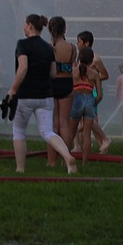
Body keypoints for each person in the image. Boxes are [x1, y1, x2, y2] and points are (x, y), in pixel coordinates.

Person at [6, 14, 76, 174]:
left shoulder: (23, 44)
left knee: (18, 130)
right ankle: (67, 156)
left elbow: (23, 67)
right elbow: (52, 72)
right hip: (45, 96)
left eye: (25, 24)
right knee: (47, 131)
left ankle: (20, 168)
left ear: (30, 26)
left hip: (25, 95)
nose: (23, 27)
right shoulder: (47, 47)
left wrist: (13, 88)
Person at [48, 16, 77, 167]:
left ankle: (51, 161)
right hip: (67, 83)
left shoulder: (48, 47)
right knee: (65, 123)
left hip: (52, 84)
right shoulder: (72, 47)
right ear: (64, 29)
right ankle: (66, 159)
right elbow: (72, 65)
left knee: (52, 125)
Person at [71, 46, 105, 163]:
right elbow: (99, 95)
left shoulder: (73, 71)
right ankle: (85, 162)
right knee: (86, 134)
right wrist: (93, 103)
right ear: (91, 60)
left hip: (76, 99)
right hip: (89, 100)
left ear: (79, 58)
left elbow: (69, 89)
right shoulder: (95, 74)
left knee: (71, 132)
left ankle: (66, 158)